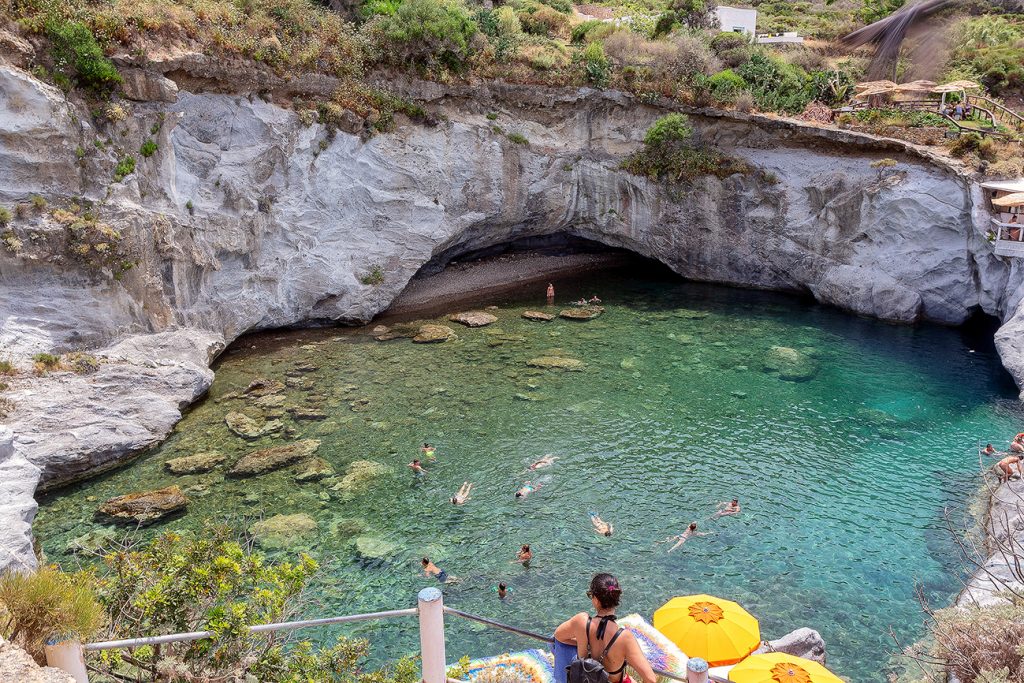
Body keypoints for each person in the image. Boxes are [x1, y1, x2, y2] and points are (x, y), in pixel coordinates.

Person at [551, 573, 657, 683]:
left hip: (583, 680)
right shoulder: (625, 637)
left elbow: (559, 636)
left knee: (552, 642)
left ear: (596, 599)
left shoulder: (581, 622)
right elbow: (650, 680)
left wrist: (584, 644)